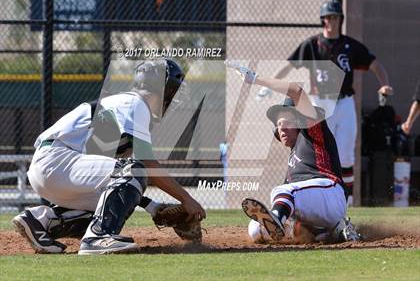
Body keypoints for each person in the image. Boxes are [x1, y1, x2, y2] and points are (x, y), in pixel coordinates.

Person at [12, 59, 206, 255]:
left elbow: (116, 185)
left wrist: (153, 207)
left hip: (53, 168)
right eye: (174, 90)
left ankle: (39, 220)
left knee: (106, 205)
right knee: (134, 169)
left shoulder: (129, 108)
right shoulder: (136, 103)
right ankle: (98, 237)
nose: (174, 98)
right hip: (57, 160)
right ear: (163, 89)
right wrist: (186, 198)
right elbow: (144, 165)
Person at [257, 0, 393, 206]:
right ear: (323, 21)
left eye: (335, 17)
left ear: (341, 20)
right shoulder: (312, 44)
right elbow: (289, 65)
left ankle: (345, 205)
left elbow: (375, 64)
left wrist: (384, 84)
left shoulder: (350, 45)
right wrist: (267, 86)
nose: (331, 21)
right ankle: (317, 195)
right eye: (328, 17)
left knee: (347, 154)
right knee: (318, 150)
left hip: (345, 101)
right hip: (320, 101)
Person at [226, 61, 360, 243]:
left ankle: (319, 227)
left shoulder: (313, 132)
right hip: (313, 207)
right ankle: (330, 232)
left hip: (332, 194)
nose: (282, 128)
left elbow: (296, 91)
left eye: (287, 122)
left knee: (282, 192)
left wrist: (256, 80)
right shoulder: (292, 164)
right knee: (255, 229)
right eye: (279, 124)